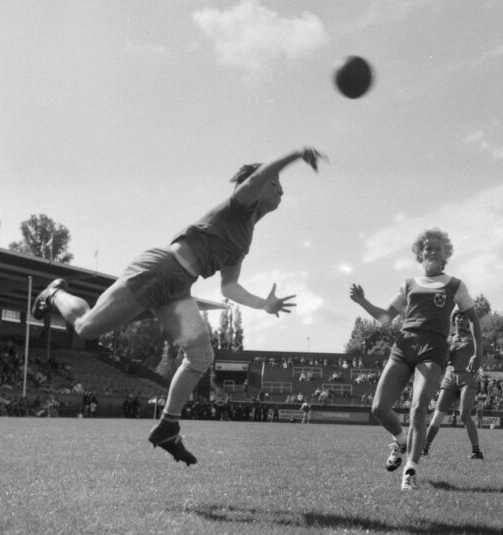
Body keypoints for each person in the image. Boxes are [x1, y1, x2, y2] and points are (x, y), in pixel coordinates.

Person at [30, 147, 326, 466]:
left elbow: (229, 287)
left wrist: (263, 304)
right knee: (87, 328)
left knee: (201, 356)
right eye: (275, 181)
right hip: (161, 268)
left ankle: (168, 427)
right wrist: (296, 154)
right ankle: (55, 292)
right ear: (260, 183)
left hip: (179, 288)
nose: (280, 188)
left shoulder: (245, 237)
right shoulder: (240, 203)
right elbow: (259, 175)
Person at [350, 228, 483, 490]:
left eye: (438, 248)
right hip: (403, 345)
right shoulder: (409, 284)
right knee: (378, 408)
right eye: (428, 248)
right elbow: (386, 317)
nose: (432, 251)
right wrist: (362, 301)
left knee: (419, 408)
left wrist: (478, 353)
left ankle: (410, 470)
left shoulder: (455, 285)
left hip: (433, 350)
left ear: (446, 254)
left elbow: (474, 321)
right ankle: (401, 440)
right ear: (420, 253)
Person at [422, 310, 483, 460]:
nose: (461, 320)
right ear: (454, 320)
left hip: (467, 378)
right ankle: (424, 448)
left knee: (464, 415)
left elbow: (481, 355)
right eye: (458, 317)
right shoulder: (448, 339)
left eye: (464, 317)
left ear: (468, 322)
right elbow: (445, 360)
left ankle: (476, 451)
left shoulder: (475, 338)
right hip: (450, 376)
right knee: (438, 414)